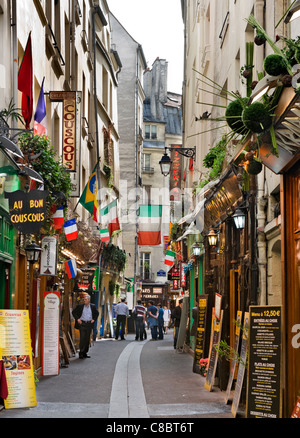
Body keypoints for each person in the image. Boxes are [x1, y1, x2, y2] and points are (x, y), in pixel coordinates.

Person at [72, 294, 99, 359]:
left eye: (86, 299)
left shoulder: (93, 306)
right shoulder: (80, 306)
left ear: (89, 300)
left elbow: (97, 313)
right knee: (82, 338)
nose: (84, 301)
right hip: (82, 324)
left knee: (87, 339)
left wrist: (94, 319)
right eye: (84, 299)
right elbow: (74, 312)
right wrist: (77, 319)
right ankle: (81, 353)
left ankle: (85, 353)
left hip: (89, 324)